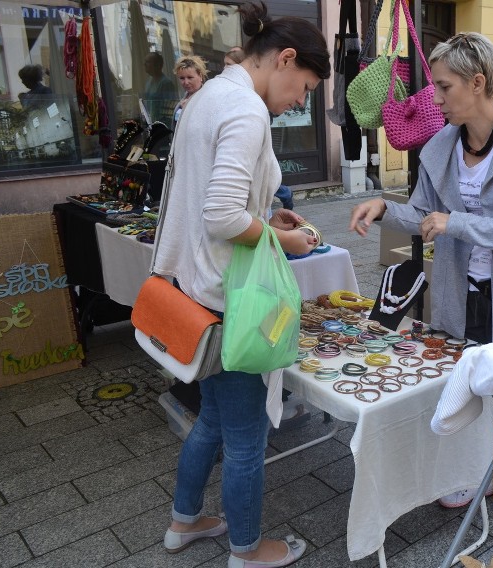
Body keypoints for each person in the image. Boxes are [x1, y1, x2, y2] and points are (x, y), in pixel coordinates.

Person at [349, 32, 493, 514]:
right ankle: (468, 471)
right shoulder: (442, 147)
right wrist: (383, 208)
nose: (436, 97)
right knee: (464, 377)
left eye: (445, 87)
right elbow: (426, 215)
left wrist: (457, 222)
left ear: (477, 83)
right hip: (459, 285)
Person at [155, 2, 330, 566]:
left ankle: (184, 522)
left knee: (212, 418)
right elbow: (224, 217)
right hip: (226, 300)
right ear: (283, 60)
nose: (300, 102)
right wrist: (284, 240)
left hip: (193, 291)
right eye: (304, 88)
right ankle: (247, 550)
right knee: (247, 437)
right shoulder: (248, 110)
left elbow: (224, 203)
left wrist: (265, 215)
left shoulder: (207, 97)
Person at [224, 46, 294, 210]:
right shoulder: (238, 99)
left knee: (262, 177)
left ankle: (284, 194)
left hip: (249, 210)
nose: (225, 69)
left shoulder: (250, 104)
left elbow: (225, 216)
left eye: (230, 65)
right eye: (225, 65)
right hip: (246, 212)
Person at [172, 55, 208, 125]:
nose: (186, 82)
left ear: (200, 76)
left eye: (190, 77)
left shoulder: (207, 98)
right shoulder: (184, 97)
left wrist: (188, 110)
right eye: (182, 78)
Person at [143, 52, 177, 123]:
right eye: (145, 61)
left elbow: (170, 110)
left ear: (157, 65)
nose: (144, 64)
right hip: (150, 122)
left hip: (161, 125)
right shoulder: (149, 81)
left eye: (148, 62)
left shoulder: (166, 83)